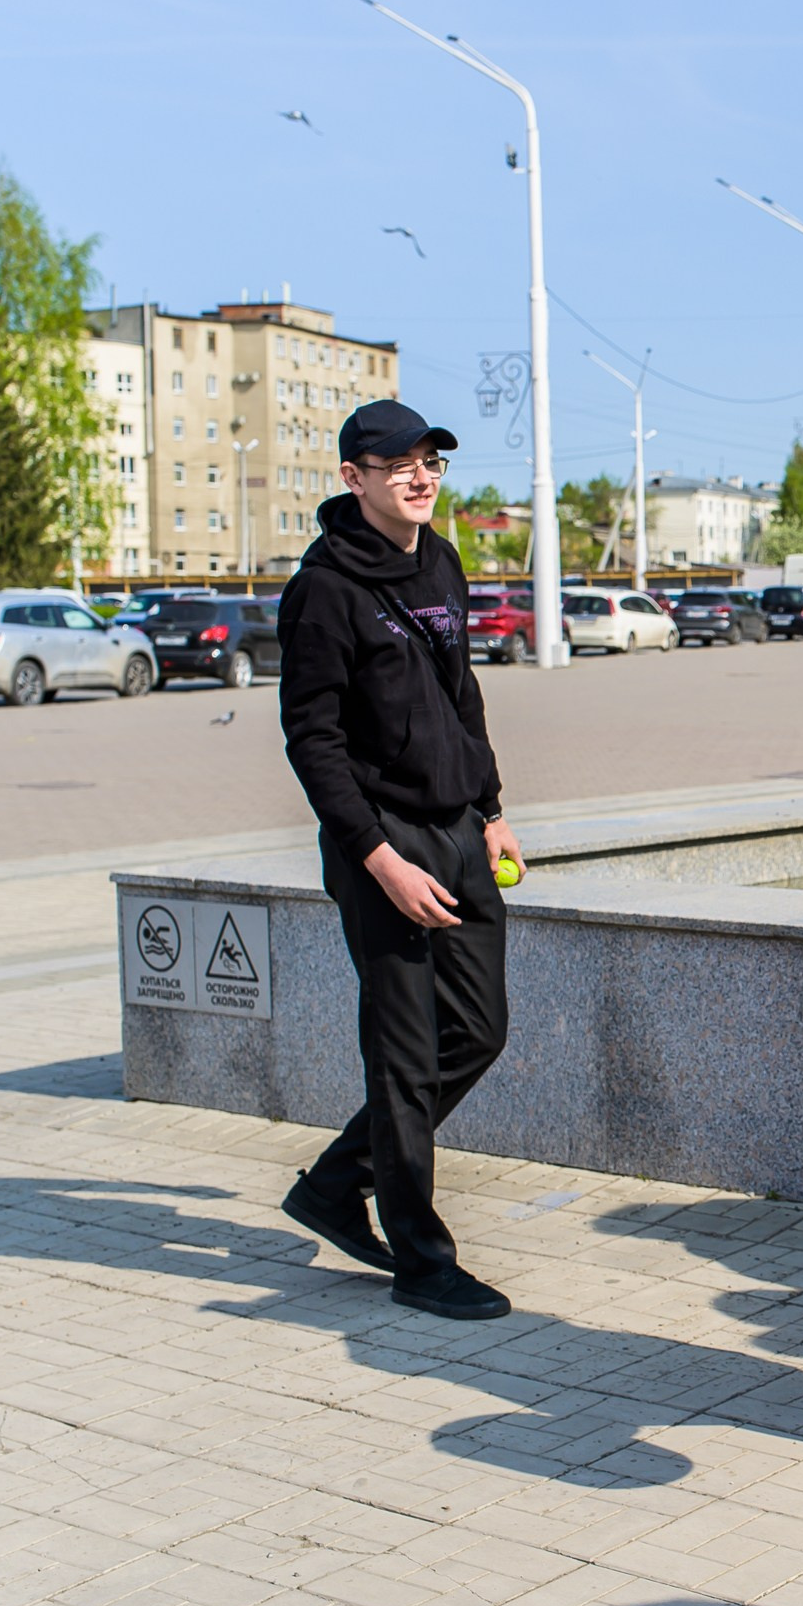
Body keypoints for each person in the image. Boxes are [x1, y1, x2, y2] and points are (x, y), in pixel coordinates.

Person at [275, 400, 527, 1322]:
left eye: (430, 461)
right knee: (405, 1053)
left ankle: (338, 1183)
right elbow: (314, 742)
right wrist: (378, 859)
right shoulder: (325, 588)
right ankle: (421, 1258)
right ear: (354, 478)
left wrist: (492, 810)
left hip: (458, 829)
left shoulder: (442, 563)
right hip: (382, 844)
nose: (419, 477)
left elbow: (462, 693)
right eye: (398, 464)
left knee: (480, 1028)